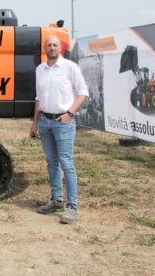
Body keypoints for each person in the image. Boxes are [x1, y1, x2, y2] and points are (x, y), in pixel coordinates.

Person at [30, 35, 89, 224]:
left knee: (66, 163)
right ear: (44, 48)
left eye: (55, 45)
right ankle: (56, 200)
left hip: (62, 121)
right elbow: (38, 98)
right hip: (45, 122)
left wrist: (69, 114)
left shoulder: (70, 68)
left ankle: (72, 207)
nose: (52, 47)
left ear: (60, 48)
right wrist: (34, 123)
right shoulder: (40, 69)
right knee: (51, 162)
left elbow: (83, 93)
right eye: (49, 45)